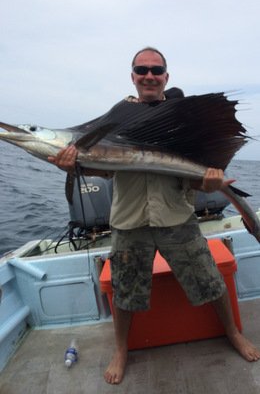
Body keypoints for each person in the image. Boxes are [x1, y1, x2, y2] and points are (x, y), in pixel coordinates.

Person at [49, 47, 260, 385]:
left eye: (156, 70)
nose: (149, 75)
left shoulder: (182, 118)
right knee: (124, 290)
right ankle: (122, 349)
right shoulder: (114, 118)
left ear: (166, 76)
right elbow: (106, 171)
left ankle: (233, 332)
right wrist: (73, 164)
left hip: (176, 217)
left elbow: (192, 177)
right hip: (128, 221)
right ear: (132, 76)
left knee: (210, 280)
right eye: (141, 69)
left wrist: (211, 181)